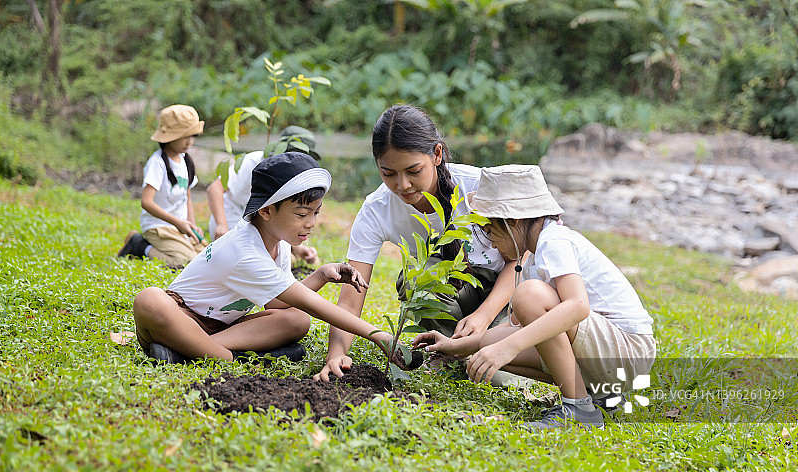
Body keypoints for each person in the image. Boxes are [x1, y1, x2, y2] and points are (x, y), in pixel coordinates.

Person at [412, 165, 656, 429]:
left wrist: (510, 346)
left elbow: (578, 307)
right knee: (487, 350)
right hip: (611, 356)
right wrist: (453, 346)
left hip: (628, 350)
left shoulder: (555, 241)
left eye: (490, 230)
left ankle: (578, 409)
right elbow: (514, 329)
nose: (492, 243)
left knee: (527, 297)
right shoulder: (536, 255)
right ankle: (599, 396)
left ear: (513, 221)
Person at [133, 152, 402, 366]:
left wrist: (320, 275)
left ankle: (191, 350)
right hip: (180, 317)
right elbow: (313, 304)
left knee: (297, 320)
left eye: (315, 213)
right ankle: (224, 357)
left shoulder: (279, 246)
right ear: (266, 211)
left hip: (225, 327)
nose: (311, 223)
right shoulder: (245, 250)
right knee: (150, 299)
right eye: (301, 214)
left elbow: (276, 302)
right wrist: (379, 336)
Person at [316, 104, 519, 382]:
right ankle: (451, 351)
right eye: (388, 174)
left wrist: (483, 318)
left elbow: (519, 260)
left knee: (497, 371)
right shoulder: (377, 209)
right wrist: (335, 354)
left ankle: (472, 348)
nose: (403, 185)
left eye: (413, 171)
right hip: (454, 300)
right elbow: (351, 298)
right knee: (416, 278)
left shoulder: (478, 186)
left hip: (505, 298)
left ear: (436, 154)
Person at [207, 125, 321, 264]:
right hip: (233, 217)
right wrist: (221, 225)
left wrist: (300, 249)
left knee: (285, 258)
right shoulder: (253, 161)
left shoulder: (291, 177)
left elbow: (280, 219)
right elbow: (214, 189)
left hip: (261, 226)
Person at [118, 104, 207, 269]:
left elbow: (186, 195)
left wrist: (191, 224)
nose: (189, 141)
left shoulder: (186, 161)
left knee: (206, 256)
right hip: (158, 226)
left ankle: (175, 244)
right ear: (169, 137)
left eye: (192, 135)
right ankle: (138, 244)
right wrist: (178, 223)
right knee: (184, 263)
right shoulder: (157, 163)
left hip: (180, 226)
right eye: (184, 136)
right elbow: (146, 202)